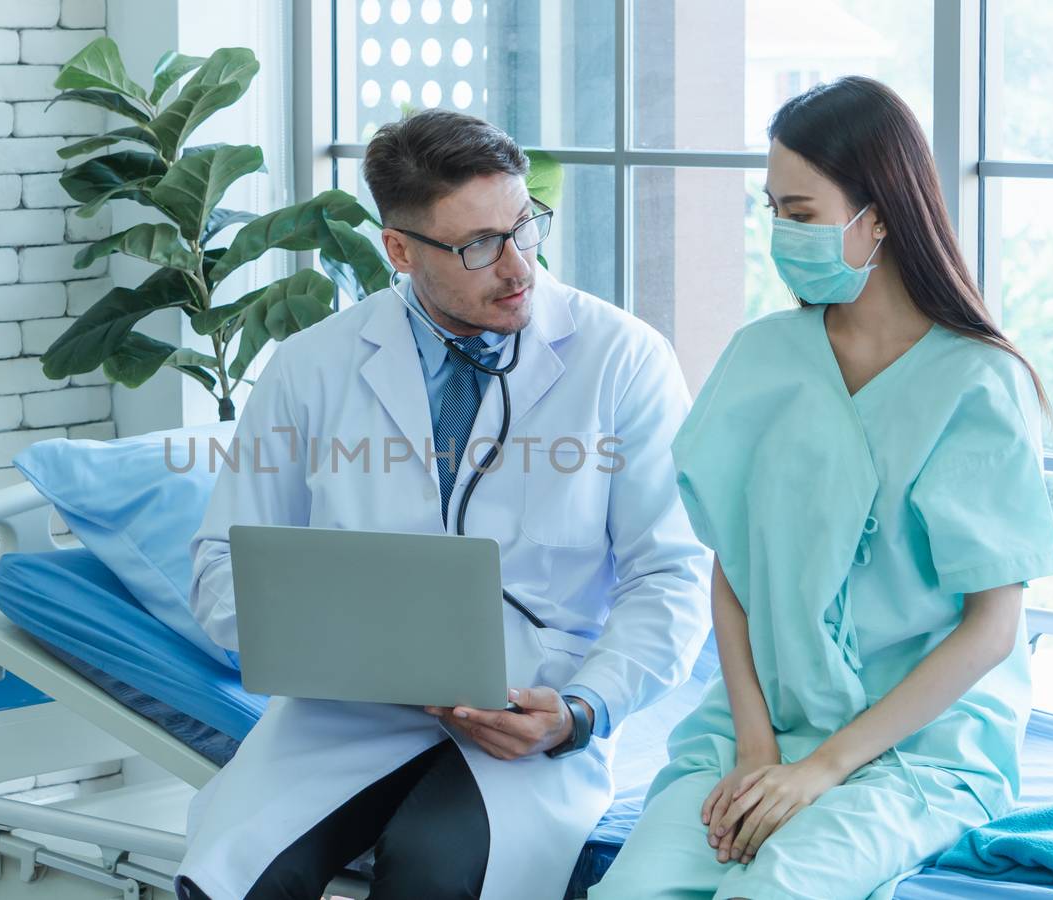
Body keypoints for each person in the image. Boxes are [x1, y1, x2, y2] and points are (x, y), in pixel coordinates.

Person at [175, 109, 712, 900]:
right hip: (346, 710)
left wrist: (580, 710)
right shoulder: (312, 368)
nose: (518, 267)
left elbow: (671, 574)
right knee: (237, 876)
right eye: (478, 247)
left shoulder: (623, 360)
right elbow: (222, 568)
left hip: (532, 714)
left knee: (433, 868)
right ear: (399, 249)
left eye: (525, 227)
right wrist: (341, 646)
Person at [591, 76, 1053, 900]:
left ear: (877, 215)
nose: (780, 233)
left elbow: (994, 628)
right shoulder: (761, 357)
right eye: (771, 209)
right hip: (763, 723)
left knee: (773, 891)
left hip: (917, 747)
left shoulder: (977, 383)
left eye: (802, 214)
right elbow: (733, 571)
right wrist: (756, 751)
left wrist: (824, 770)